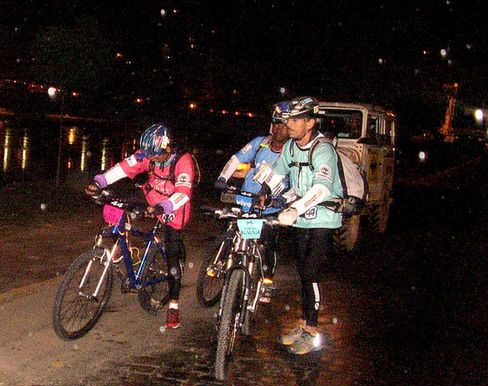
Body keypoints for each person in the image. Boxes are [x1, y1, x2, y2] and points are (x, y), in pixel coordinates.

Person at [85, 123, 196, 329]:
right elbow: (124, 168)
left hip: (175, 208)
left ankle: (173, 305)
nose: (151, 159)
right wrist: (100, 181)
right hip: (151, 195)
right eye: (149, 156)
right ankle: (123, 241)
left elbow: (183, 193)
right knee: (116, 201)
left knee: (172, 256)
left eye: (155, 156)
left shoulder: (184, 161)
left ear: (168, 148)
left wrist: (164, 206)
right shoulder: (148, 153)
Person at [260, 96, 344, 355]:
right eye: (288, 119)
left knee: (311, 273)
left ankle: (313, 331)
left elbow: (321, 187)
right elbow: (278, 172)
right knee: (302, 272)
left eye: (296, 119)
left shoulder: (323, 150)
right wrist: (263, 190)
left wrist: (295, 208)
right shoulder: (291, 147)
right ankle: (304, 324)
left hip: (323, 219)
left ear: (310, 122)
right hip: (302, 220)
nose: (289, 124)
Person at [214, 111, 290, 298]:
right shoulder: (260, 143)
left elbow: (294, 184)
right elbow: (236, 159)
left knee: (267, 244)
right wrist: (223, 177)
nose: (278, 129)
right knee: (230, 230)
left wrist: (280, 199)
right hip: (246, 201)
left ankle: (266, 281)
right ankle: (221, 262)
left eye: (283, 125)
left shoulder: (292, 152)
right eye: (276, 124)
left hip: (270, 207)